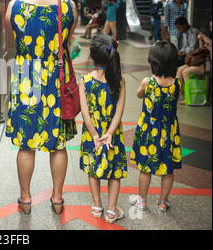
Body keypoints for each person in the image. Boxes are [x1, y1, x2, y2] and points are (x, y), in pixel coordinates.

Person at [4, 0, 78, 215]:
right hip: (56, 80)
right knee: (58, 144)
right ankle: (57, 200)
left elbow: (15, 41)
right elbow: (66, 46)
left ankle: (25, 199)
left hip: (26, 78)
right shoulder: (68, 7)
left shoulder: (14, 6)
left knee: (26, 144)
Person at [79, 35, 127, 223]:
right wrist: (109, 134)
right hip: (112, 134)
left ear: (92, 56)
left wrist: (95, 135)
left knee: (93, 170)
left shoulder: (85, 81)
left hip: (93, 134)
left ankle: (97, 206)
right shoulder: (119, 80)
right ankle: (112, 211)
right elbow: (120, 111)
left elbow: (85, 112)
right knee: (114, 172)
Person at [129, 41, 181, 213]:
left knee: (145, 167)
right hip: (169, 130)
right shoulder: (177, 84)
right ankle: (162, 202)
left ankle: (142, 201)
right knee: (168, 168)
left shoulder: (147, 82)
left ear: (154, 62)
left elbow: (139, 95)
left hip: (149, 129)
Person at [176, 20, 212, 105]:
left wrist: (209, 42)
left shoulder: (209, 39)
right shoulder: (209, 36)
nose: (211, 29)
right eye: (210, 27)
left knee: (186, 72)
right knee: (180, 69)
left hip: (207, 65)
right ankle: (177, 93)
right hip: (202, 62)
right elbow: (201, 50)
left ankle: (190, 97)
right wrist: (201, 40)